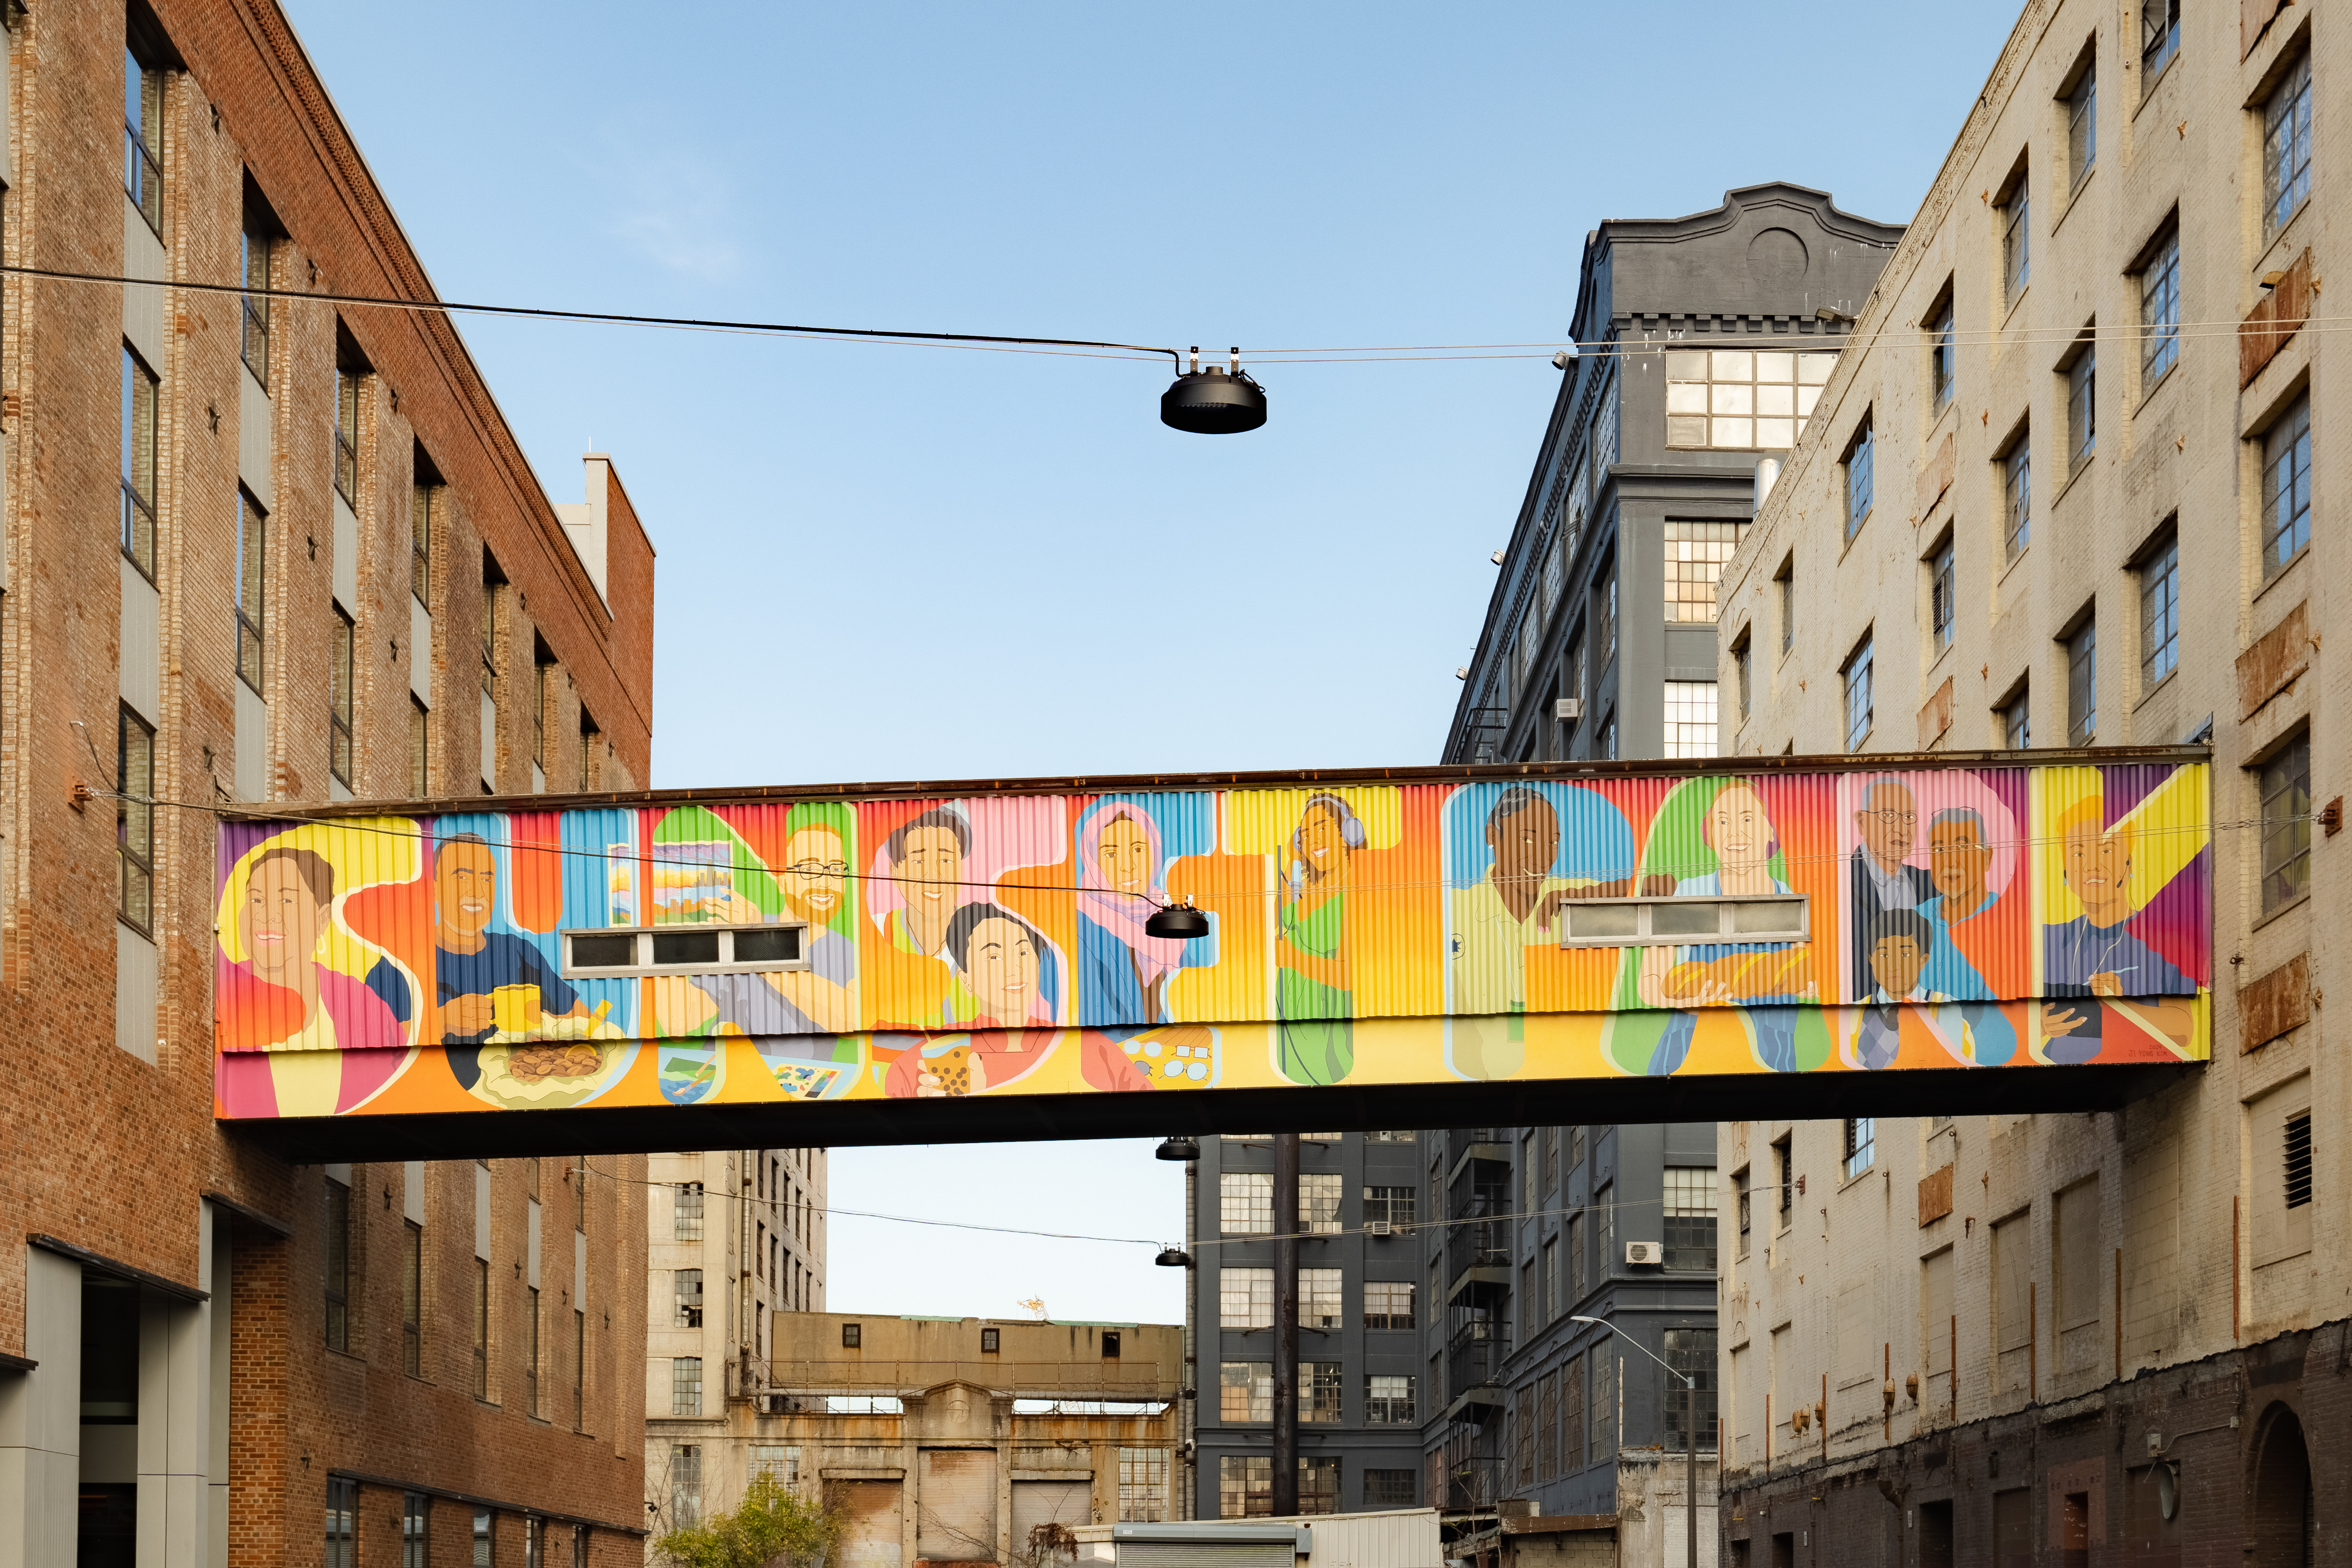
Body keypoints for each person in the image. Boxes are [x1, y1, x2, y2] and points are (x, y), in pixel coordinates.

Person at [1627, 780, 1819, 1074]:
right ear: (1710, 835)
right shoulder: (1687, 894)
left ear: (1769, 829)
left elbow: (1816, 976)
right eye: (1723, 821)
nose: (1735, 833)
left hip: (1772, 1052)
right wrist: (1686, 1002)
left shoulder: (1792, 904)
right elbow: (1650, 980)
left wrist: (1812, 986)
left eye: (1747, 819)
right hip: (1690, 1047)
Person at [215, 843, 408, 1118]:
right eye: (256, 900)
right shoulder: (220, 995)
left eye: (287, 901)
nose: (267, 915)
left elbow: (402, 1079)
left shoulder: (363, 1004)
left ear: (322, 919)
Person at [365, 833, 595, 1054]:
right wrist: (441, 1021)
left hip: (519, 1084)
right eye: (462, 877)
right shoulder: (397, 964)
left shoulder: (518, 952)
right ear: (433, 888)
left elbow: (584, 1017)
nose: (478, 892)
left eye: (486, 879)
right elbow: (370, 1039)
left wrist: (553, 1030)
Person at [884, 902, 1131, 1095]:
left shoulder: (1090, 1050)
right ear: (965, 979)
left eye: (1023, 951)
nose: (1014, 971)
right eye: (993, 957)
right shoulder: (932, 1058)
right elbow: (896, 1084)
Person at [2040, 803, 2198, 1062]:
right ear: (2065, 870)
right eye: (2078, 854)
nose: (2093, 866)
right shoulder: (2046, 942)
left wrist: (2120, 1004)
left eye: (2106, 851)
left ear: (2129, 864)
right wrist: (2043, 1026)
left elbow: (2186, 1031)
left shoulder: (2165, 940)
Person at [681, 811, 860, 1036]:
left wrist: (756, 942)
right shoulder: (742, 928)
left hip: (802, 1071)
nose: (825, 882)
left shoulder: (848, 951)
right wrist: (672, 946)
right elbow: (680, 1021)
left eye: (835, 869)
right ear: (783, 881)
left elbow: (850, 1018)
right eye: (810, 870)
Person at [1074, 801, 1213, 1029]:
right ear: (1093, 862)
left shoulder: (1164, 917)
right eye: (1110, 854)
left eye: (1138, 849)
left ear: (1155, 852)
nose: (1127, 867)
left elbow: (1197, 995)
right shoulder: (1082, 928)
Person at [1274, 793, 1360, 1086]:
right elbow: (1277, 919)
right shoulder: (1304, 888)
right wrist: (1291, 859)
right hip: (1288, 1034)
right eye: (1306, 833)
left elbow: (1350, 975)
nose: (1314, 840)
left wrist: (1294, 959)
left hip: (1329, 1043)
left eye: (1323, 828)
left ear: (1347, 831)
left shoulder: (1355, 892)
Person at [866, 805, 973, 1031]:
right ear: (895, 872)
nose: (933, 875)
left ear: (961, 870)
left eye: (946, 861)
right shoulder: (873, 931)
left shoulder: (986, 934)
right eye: (918, 861)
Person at [1848, 778, 1935, 1000]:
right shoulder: (1839, 881)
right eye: (1888, 816)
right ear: (1862, 821)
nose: (1901, 830)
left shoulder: (1931, 884)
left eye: (1909, 818)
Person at [1847, 910, 1947, 1069]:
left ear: (1923, 960)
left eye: (1905, 954)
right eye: (1884, 955)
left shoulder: (1946, 1007)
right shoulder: (1853, 1013)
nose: (1893, 967)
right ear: (1871, 959)